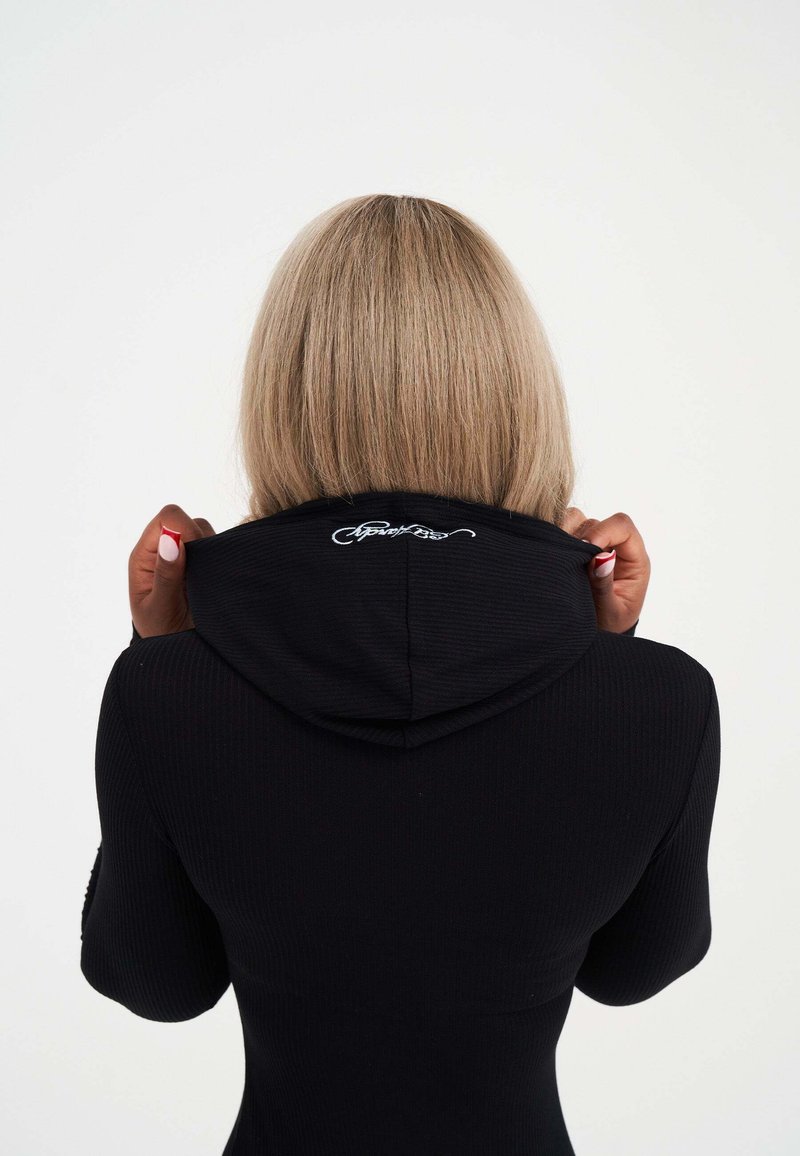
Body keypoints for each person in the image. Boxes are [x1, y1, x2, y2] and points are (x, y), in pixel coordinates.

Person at [80, 194, 721, 1155]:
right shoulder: (664, 702)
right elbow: (634, 970)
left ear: (284, 400)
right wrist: (601, 660)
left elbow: (156, 982)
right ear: (518, 402)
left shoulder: (166, 695)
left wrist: (160, 653)